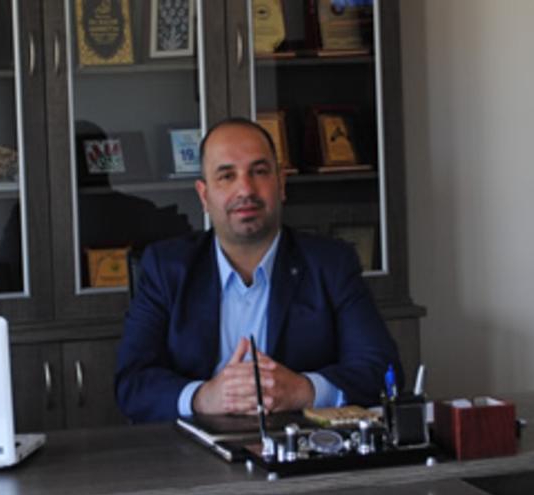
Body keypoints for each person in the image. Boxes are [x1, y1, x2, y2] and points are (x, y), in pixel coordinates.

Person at [115, 118, 401, 423]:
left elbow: (382, 371)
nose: (245, 189)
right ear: (204, 196)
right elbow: (133, 384)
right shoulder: (166, 267)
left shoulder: (331, 263)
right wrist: (203, 397)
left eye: (260, 171)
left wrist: (303, 390)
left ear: (281, 184)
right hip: (193, 445)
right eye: (227, 176)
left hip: (300, 443)